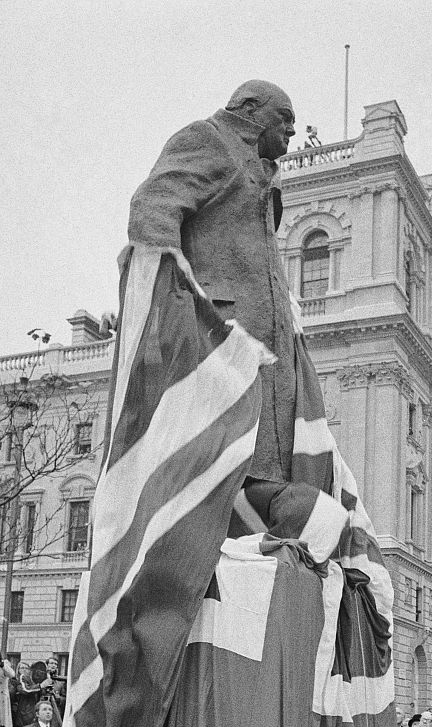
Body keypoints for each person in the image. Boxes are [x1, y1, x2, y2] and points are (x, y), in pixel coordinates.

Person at [128, 80, 297, 483]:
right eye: (284, 118)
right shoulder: (209, 138)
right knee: (217, 468)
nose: (292, 130)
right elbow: (152, 212)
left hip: (268, 344)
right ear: (251, 109)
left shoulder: (265, 169)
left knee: (265, 473)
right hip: (217, 337)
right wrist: (180, 306)